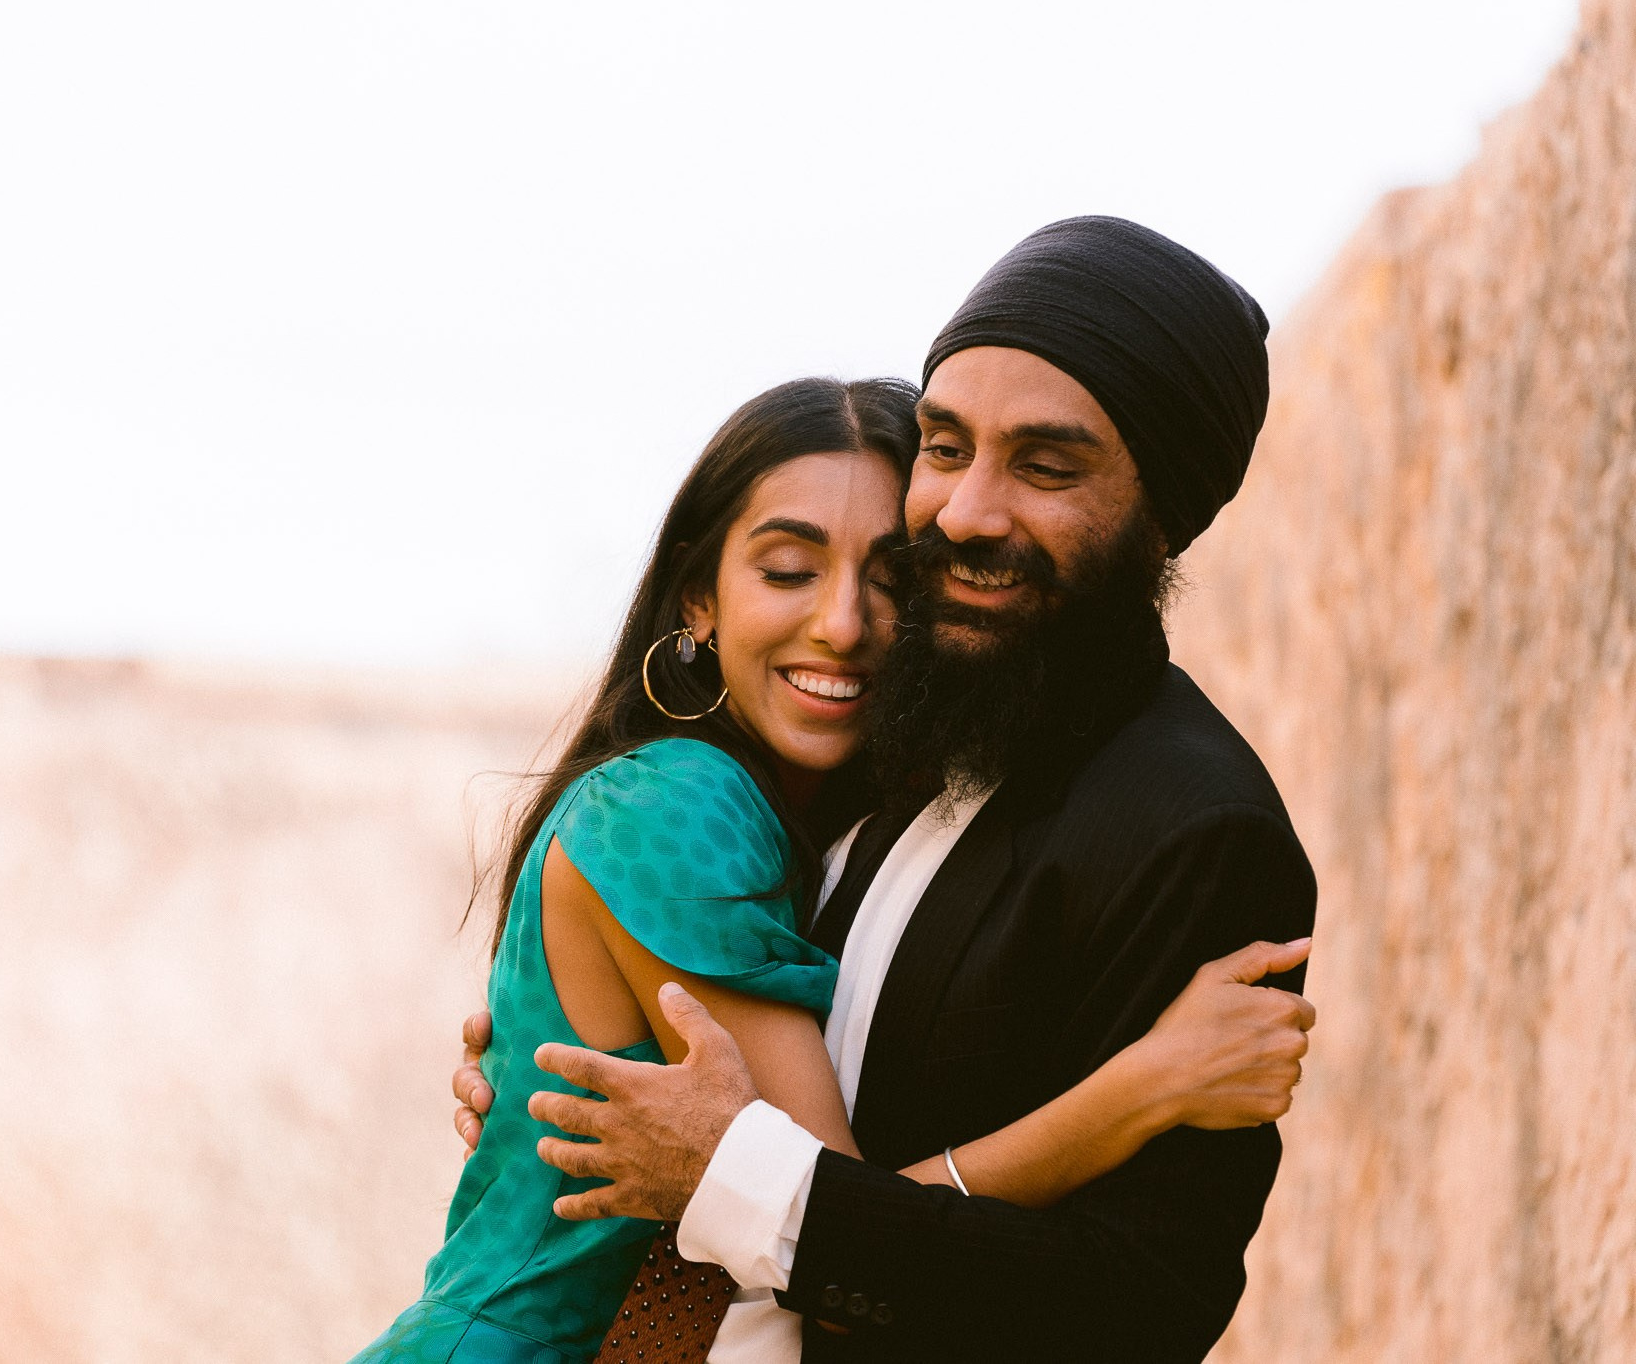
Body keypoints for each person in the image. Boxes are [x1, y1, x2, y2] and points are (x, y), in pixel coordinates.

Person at [498, 217, 1317, 1362]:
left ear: (1160, 509)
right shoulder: (908, 728)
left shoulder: (1193, 828)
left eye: (1043, 464)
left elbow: (1132, 1305)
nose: (967, 511)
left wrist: (739, 1179)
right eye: (943, 446)